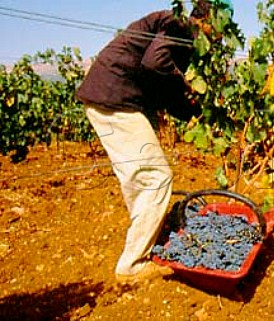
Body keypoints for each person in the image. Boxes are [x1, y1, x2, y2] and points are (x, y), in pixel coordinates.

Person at [75, 0, 234, 283]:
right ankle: (133, 265)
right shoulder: (180, 26)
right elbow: (156, 63)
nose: (220, 38)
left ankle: (146, 234)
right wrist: (187, 90)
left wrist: (196, 114)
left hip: (107, 97)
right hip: (115, 100)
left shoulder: (175, 27)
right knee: (156, 177)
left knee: (137, 177)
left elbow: (160, 82)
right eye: (221, 29)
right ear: (209, 20)